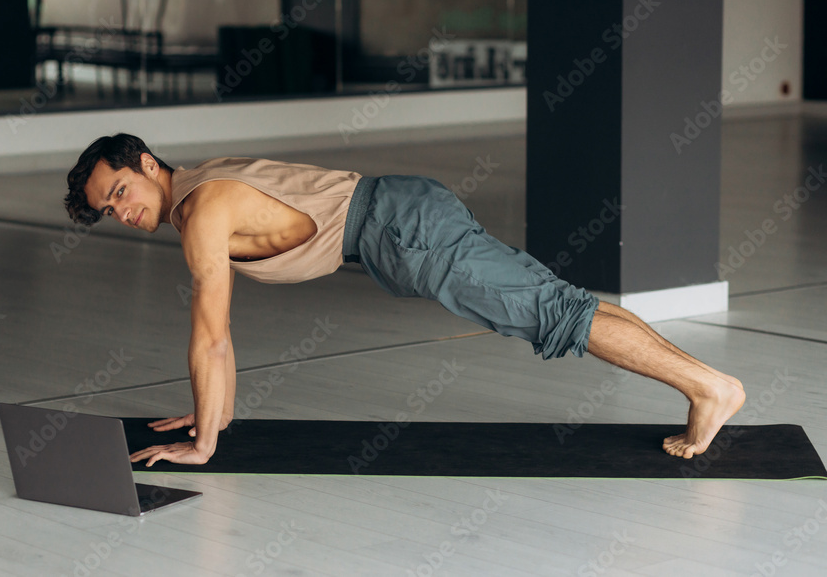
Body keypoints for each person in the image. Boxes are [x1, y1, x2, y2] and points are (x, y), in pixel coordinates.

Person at [64, 133, 745, 467]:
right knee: (559, 304)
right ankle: (707, 386)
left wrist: (204, 443)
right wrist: (215, 411)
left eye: (120, 191)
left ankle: (709, 388)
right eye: (107, 210)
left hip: (403, 231)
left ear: (147, 164)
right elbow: (220, 335)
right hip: (401, 218)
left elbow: (212, 335)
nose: (121, 210)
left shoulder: (201, 213)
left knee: (555, 313)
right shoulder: (199, 188)